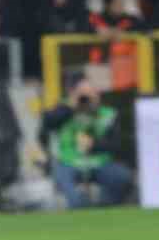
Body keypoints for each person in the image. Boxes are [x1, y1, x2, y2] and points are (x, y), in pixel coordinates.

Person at [35, 79, 132, 209]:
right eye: (82, 95)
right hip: (68, 162)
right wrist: (70, 105)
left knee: (121, 176)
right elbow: (47, 123)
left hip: (100, 162)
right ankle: (78, 205)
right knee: (65, 183)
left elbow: (116, 144)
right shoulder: (64, 112)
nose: (85, 100)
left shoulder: (107, 114)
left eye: (89, 95)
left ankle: (105, 207)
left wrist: (94, 145)